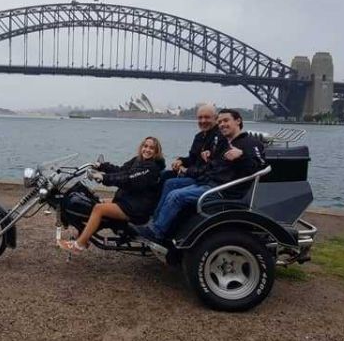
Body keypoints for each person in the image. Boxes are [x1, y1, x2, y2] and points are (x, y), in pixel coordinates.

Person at [132, 109, 266, 242]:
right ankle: (156, 223)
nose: (222, 124)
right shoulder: (225, 143)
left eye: (226, 120)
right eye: (220, 122)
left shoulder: (250, 143)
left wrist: (241, 156)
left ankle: (157, 232)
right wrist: (209, 157)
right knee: (171, 183)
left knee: (176, 196)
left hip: (223, 191)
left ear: (238, 121)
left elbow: (260, 166)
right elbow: (218, 166)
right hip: (210, 183)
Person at [58, 136, 166, 254]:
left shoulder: (151, 168)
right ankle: (84, 236)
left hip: (138, 208)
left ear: (156, 152)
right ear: (141, 147)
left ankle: (79, 245)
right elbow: (121, 170)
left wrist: (104, 177)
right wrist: (102, 166)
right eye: (145, 146)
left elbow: (127, 178)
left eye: (151, 148)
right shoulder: (138, 160)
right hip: (130, 200)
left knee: (99, 209)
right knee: (97, 202)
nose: (147, 150)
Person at [156, 104, 226, 212]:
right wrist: (181, 161)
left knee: (171, 184)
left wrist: (187, 170)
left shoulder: (219, 138)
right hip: (195, 174)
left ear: (216, 119)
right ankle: (153, 210)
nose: (203, 121)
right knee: (163, 174)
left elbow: (211, 167)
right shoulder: (199, 136)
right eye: (200, 117)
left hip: (203, 179)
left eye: (207, 117)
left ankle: (156, 220)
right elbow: (193, 159)